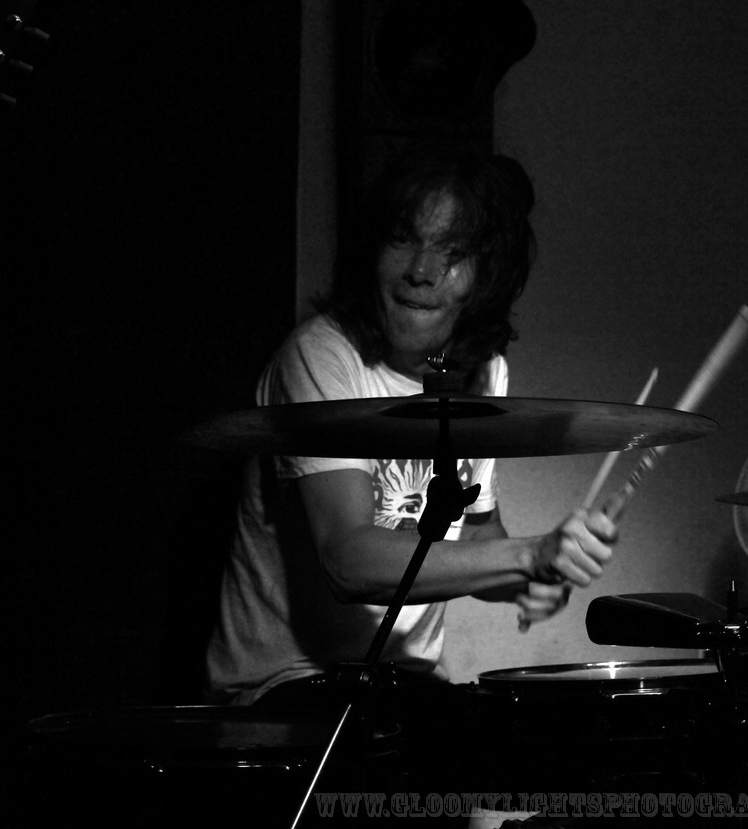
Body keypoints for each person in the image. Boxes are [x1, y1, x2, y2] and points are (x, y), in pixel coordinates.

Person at [204, 143, 617, 709]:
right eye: (403, 240)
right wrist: (528, 555)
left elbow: (476, 537)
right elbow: (348, 562)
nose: (421, 272)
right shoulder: (321, 356)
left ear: (488, 274)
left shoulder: (483, 371)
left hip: (403, 680)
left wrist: (538, 575)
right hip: (289, 684)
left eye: (452, 253)